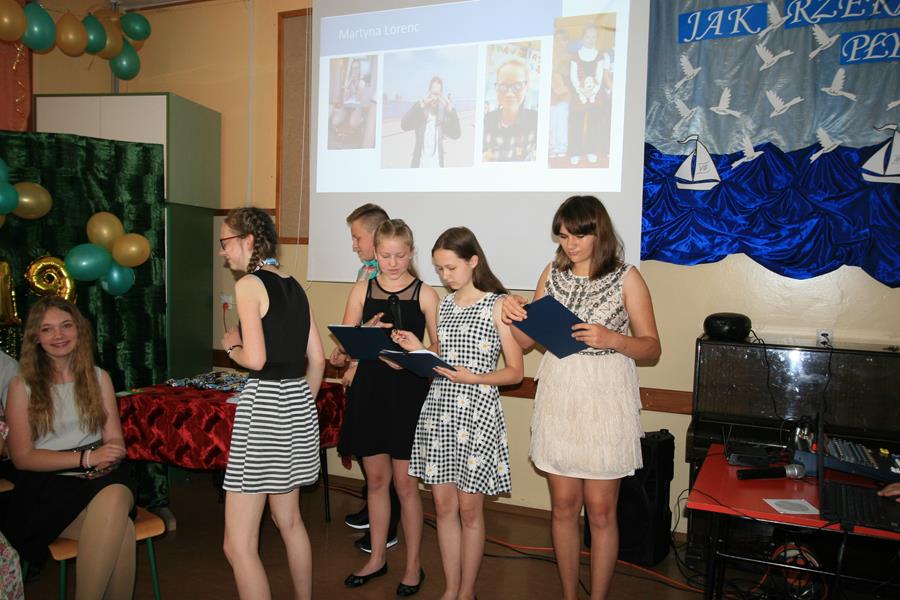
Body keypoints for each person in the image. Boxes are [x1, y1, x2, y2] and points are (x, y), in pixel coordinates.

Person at [502, 196, 661, 600]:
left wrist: (612, 339)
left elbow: (651, 347)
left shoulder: (627, 277)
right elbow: (526, 341)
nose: (570, 244)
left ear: (598, 232)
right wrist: (514, 316)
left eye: (579, 235)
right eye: (563, 236)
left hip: (606, 397)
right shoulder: (551, 274)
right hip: (561, 394)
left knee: (602, 511)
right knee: (563, 507)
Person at [394, 227, 524, 600]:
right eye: (439, 269)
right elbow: (442, 357)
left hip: (477, 414)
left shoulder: (498, 305)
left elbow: (515, 372)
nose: (445, 275)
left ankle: (467, 591)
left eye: (451, 267)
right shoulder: (445, 305)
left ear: (473, 261)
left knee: (469, 510)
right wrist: (417, 348)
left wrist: (475, 378)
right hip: (440, 411)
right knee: (443, 506)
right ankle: (451, 589)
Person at [218, 207, 325, 600]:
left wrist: (232, 347)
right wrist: (300, 404)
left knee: (238, 545)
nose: (222, 252)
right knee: (290, 522)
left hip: (263, 406)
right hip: (296, 403)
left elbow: (257, 359)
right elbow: (318, 360)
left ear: (248, 240)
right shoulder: (294, 285)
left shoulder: (250, 284)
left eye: (225, 242)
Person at [4, 296, 137, 599]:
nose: (59, 335)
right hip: (47, 485)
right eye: (47, 329)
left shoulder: (99, 377)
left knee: (115, 493)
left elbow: (115, 439)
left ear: (79, 329)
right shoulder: (20, 385)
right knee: (124, 533)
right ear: (35, 338)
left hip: (102, 478)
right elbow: (22, 458)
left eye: (66, 325)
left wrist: (111, 453)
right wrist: (87, 458)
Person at [337, 219, 439, 594]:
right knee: (376, 482)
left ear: (411, 253)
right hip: (370, 391)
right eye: (385, 256)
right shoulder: (361, 289)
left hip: (407, 394)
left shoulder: (426, 294)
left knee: (406, 486)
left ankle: (413, 566)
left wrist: (413, 354)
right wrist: (363, 335)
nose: (393, 263)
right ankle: (377, 558)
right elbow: (342, 347)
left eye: (400, 256)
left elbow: (440, 351)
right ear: (376, 254)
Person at [329, 203, 402, 553]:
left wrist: (358, 365)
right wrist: (344, 352)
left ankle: (388, 525)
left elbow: (390, 337)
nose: (354, 244)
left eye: (357, 237)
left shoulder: (394, 282)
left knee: (387, 456)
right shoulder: (365, 273)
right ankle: (373, 507)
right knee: (368, 452)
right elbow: (360, 328)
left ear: (376, 236)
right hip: (364, 375)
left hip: (386, 380)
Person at [483, 59, 538, 162]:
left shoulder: (535, 120)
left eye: (517, 86)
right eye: (503, 86)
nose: (509, 93)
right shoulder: (487, 120)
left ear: (526, 88)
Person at [401, 76, 461, 168]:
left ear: (441, 95)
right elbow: (404, 126)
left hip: (437, 167)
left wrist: (451, 112)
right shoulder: (421, 113)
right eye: (433, 94)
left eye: (438, 94)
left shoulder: (442, 115)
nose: (435, 98)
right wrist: (419, 105)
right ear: (428, 93)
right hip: (419, 166)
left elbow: (456, 134)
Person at [568, 26, 607, 166]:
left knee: (593, 124)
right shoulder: (575, 56)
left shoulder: (600, 55)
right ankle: (575, 152)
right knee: (576, 124)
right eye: (588, 37)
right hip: (579, 95)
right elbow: (573, 77)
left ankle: (591, 150)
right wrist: (582, 91)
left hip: (595, 95)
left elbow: (599, 76)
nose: (591, 40)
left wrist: (592, 92)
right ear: (582, 38)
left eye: (594, 37)